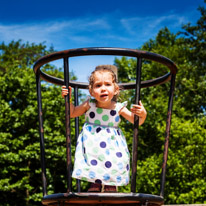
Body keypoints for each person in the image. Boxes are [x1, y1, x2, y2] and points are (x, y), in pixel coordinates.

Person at [61, 65, 147, 192]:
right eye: (98, 85)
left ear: (116, 89)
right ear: (91, 91)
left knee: (115, 160)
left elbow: (137, 121)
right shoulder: (89, 104)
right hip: (92, 141)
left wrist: (143, 114)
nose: (103, 89)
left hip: (112, 143)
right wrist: (68, 99)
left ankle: (111, 184)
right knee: (92, 158)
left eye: (107, 84)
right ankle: (95, 184)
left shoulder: (118, 107)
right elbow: (72, 113)